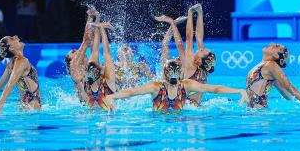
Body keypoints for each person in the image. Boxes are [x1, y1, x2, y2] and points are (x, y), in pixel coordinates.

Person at [103, 59, 248, 112]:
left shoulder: (186, 85)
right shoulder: (156, 87)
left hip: (181, 122)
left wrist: (238, 90)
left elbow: (213, 89)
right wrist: (112, 96)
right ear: (165, 74)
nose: (173, 75)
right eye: (170, 72)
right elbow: (132, 92)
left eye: (175, 72)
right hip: (158, 124)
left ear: (179, 73)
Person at [156, 4, 216, 105]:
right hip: (196, 108)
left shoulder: (188, 66)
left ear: (200, 60)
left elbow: (185, 40)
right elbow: (199, 38)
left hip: (184, 110)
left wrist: (187, 14)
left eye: (202, 51)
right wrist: (200, 12)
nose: (201, 49)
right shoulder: (204, 69)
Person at [0, 36, 41, 113]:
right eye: (12, 38)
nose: (16, 36)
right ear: (12, 48)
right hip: (31, 106)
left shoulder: (10, 64)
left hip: (25, 105)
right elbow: (10, 85)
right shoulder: (22, 61)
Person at [246, 43, 300, 108]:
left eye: (276, 46)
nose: (272, 43)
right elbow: (287, 95)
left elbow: (290, 88)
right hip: (256, 112)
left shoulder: (271, 65)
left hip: (259, 114)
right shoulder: (264, 66)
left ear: (276, 55)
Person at [65, 8, 99, 104]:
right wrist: (90, 17)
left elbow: (92, 43)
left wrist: (97, 21)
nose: (75, 50)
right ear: (70, 60)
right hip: (88, 108)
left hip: (93, 106)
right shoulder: (74, 65)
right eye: (72, 52)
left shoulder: (85, 66)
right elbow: (86, 40)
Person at [83, 22, 117, 111]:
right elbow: (106, 52)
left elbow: (95, 51)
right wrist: (101, 28)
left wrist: (98, 26)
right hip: (110, 120)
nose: (102, 64)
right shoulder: (109, 81)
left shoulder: (87, 84)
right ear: (101, 71)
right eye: (101, 65)